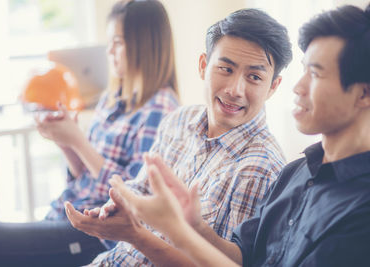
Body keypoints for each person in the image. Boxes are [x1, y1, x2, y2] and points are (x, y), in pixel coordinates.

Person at [108, 4, 370, 267]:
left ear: (364, 94)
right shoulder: (295, 174)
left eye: (315, 74)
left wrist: (167, 232)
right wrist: (195, 225)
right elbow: (244, 257)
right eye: (303, 71)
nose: (298, 87)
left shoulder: (360, 209)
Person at [65, 8, 292, 267]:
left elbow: (222, 262)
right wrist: (113, 208)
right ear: (203, 66)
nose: (235, 90)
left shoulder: (260, 167)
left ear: (273, 86)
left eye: (254, 77)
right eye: (225, 69)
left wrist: (140, 233)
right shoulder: (178, 121)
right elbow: (140, 187)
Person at [0, 0, 179, 266]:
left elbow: (134, 198)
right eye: (109, 43)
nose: (110, 52)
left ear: (145, 45)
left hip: (99, 234)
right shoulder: (112, 98)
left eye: (118, 43)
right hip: (70, 213)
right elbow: (87, 176)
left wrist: (79, 141)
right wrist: (66, 142)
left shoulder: (161, 110)